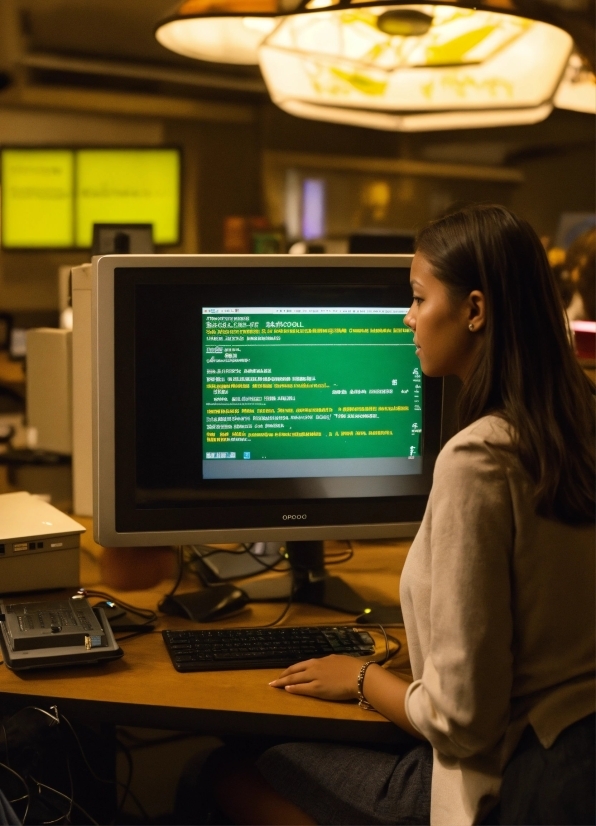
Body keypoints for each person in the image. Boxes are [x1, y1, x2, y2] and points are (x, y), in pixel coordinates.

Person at [202, 204, 595, 826]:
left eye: (417, 297)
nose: (407, 319)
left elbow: (461, 722)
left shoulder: (479, 459)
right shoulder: (576, 424)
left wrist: (360, 677)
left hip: (497, 780)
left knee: (226, 768)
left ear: (474, 310)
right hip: (573, 752)